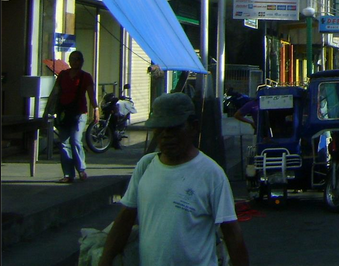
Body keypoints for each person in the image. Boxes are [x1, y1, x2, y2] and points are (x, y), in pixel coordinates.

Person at [97, 93, 249, 266]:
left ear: (193, 127)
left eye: (174, 128)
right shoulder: (145, 166)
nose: (166, 136)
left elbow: (231, 233)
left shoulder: (211, 173)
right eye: (160, 129)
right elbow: (125, 218)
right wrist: (105, 259)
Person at [45, 50, 98, 183]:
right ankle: (68, 174)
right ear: (69, 61)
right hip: (64, 112)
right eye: (72, 59)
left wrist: (96, 108)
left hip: (79, 113)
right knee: (63, 143)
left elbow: (91, 94)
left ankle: (81, 169)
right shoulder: (63, 75)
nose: (75, 62)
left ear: (82, 61)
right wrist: (48, 110)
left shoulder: (85, 76)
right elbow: (55, 92)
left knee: (75, 140)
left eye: (78, 59)